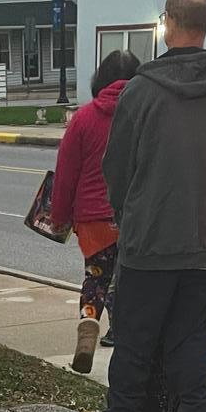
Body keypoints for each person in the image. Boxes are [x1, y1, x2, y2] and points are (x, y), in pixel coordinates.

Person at [90, 0, 206, 412]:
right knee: (191, 341)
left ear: (167, 25)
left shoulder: (141, 92)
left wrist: (127, 215)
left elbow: (116, 167)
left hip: (151, 239)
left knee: (136, 342)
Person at [49, 49, 140, 374]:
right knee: (128, 278)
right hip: (135, 217)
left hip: (92, 220)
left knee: (98, 276)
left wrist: (59, 216)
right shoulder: (145, 116)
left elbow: (66, 174)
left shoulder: (84, 119)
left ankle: (89, 323)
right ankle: (122, 332)